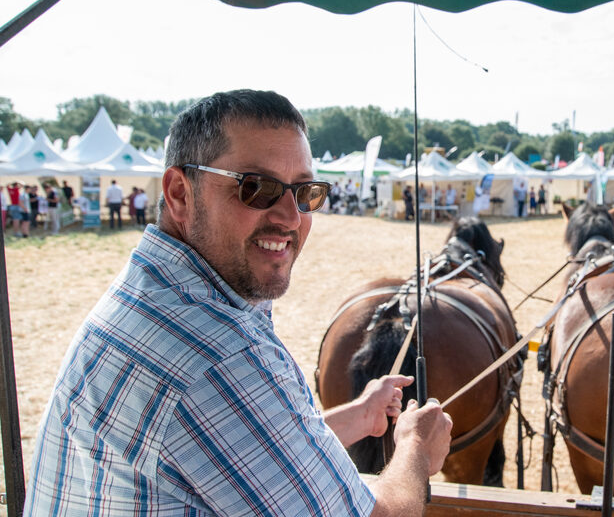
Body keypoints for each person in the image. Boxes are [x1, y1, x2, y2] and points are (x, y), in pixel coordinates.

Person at [25, 90, 451, 516]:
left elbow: (241, 454)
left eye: (306, 192)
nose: (290, 216)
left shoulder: (152, 296)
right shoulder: (215, 352)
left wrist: (358, 417)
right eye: (257, 188)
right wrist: (414, 447)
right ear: (179, 193)